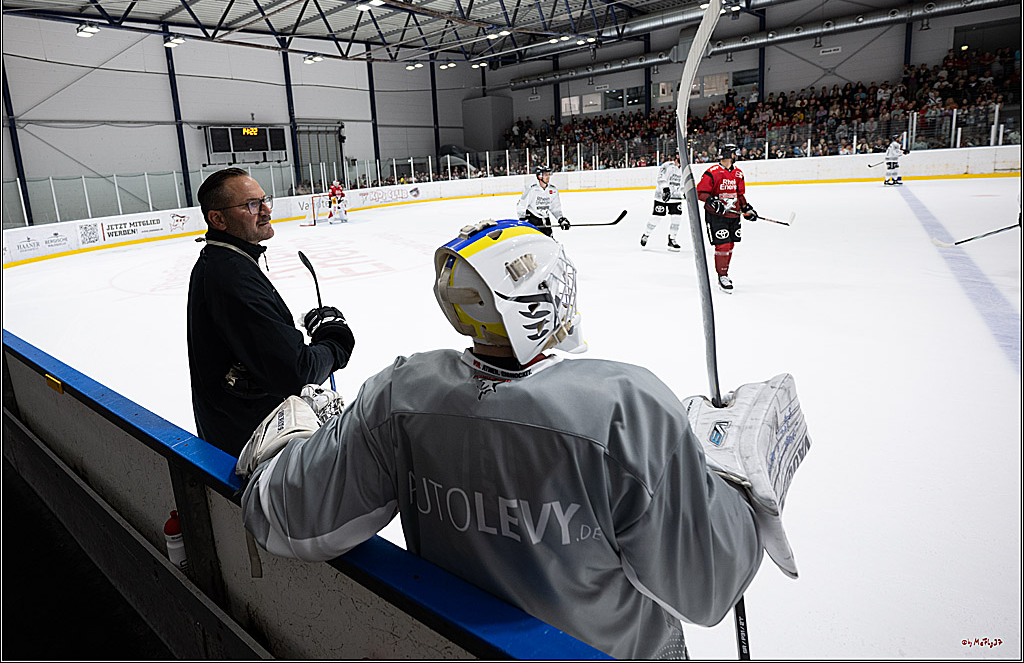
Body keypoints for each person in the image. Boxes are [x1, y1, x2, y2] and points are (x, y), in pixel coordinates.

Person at [236, 219, 809, 660]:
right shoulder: (627, 406)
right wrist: (732, 481)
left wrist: (292, 449)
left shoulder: (399, 393)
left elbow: (286, 516)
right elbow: (706, 585)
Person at [187, 167, 356, 456]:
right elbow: (296, 372)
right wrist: (335, 342)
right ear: (218, 218)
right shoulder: (231, 278)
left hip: (243, 432)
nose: (265, 210)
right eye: (252, 205)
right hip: (253, 450)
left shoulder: (225, 262)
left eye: (265, 200)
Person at [697, 143, 758, 293]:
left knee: (730, 245)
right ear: (729, 155)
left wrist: (746, 208)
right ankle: (722, 275)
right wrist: (712, 201)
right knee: (722, 245)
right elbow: (701, 192)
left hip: (733, 214)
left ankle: (724, 270)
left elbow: (739, 194)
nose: (736, 156)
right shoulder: (712, 173)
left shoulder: (738, 173)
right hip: (716, 216)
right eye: (734, 153)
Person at [640, 152, 684, 251]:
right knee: (656, 217)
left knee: (676, 218)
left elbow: (683, 184)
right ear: (677, 156)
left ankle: (672, 239)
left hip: (675, 197)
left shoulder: (684, 169)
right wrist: (665, 189)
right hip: (662, 197)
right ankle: (646, 234)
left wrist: (685, 192)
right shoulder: (667, 165)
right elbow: (660, 178)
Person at [516, 165, 569, 236]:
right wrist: (523, 219)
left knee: (549, 242)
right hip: (532, 219)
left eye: (548, 174)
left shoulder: (552, 190)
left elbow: (555, 208)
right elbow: (521, 204)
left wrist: (561, 219)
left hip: (545, 219)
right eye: (545, 175)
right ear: (539, 176)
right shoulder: (532, 189)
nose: (548, 176)